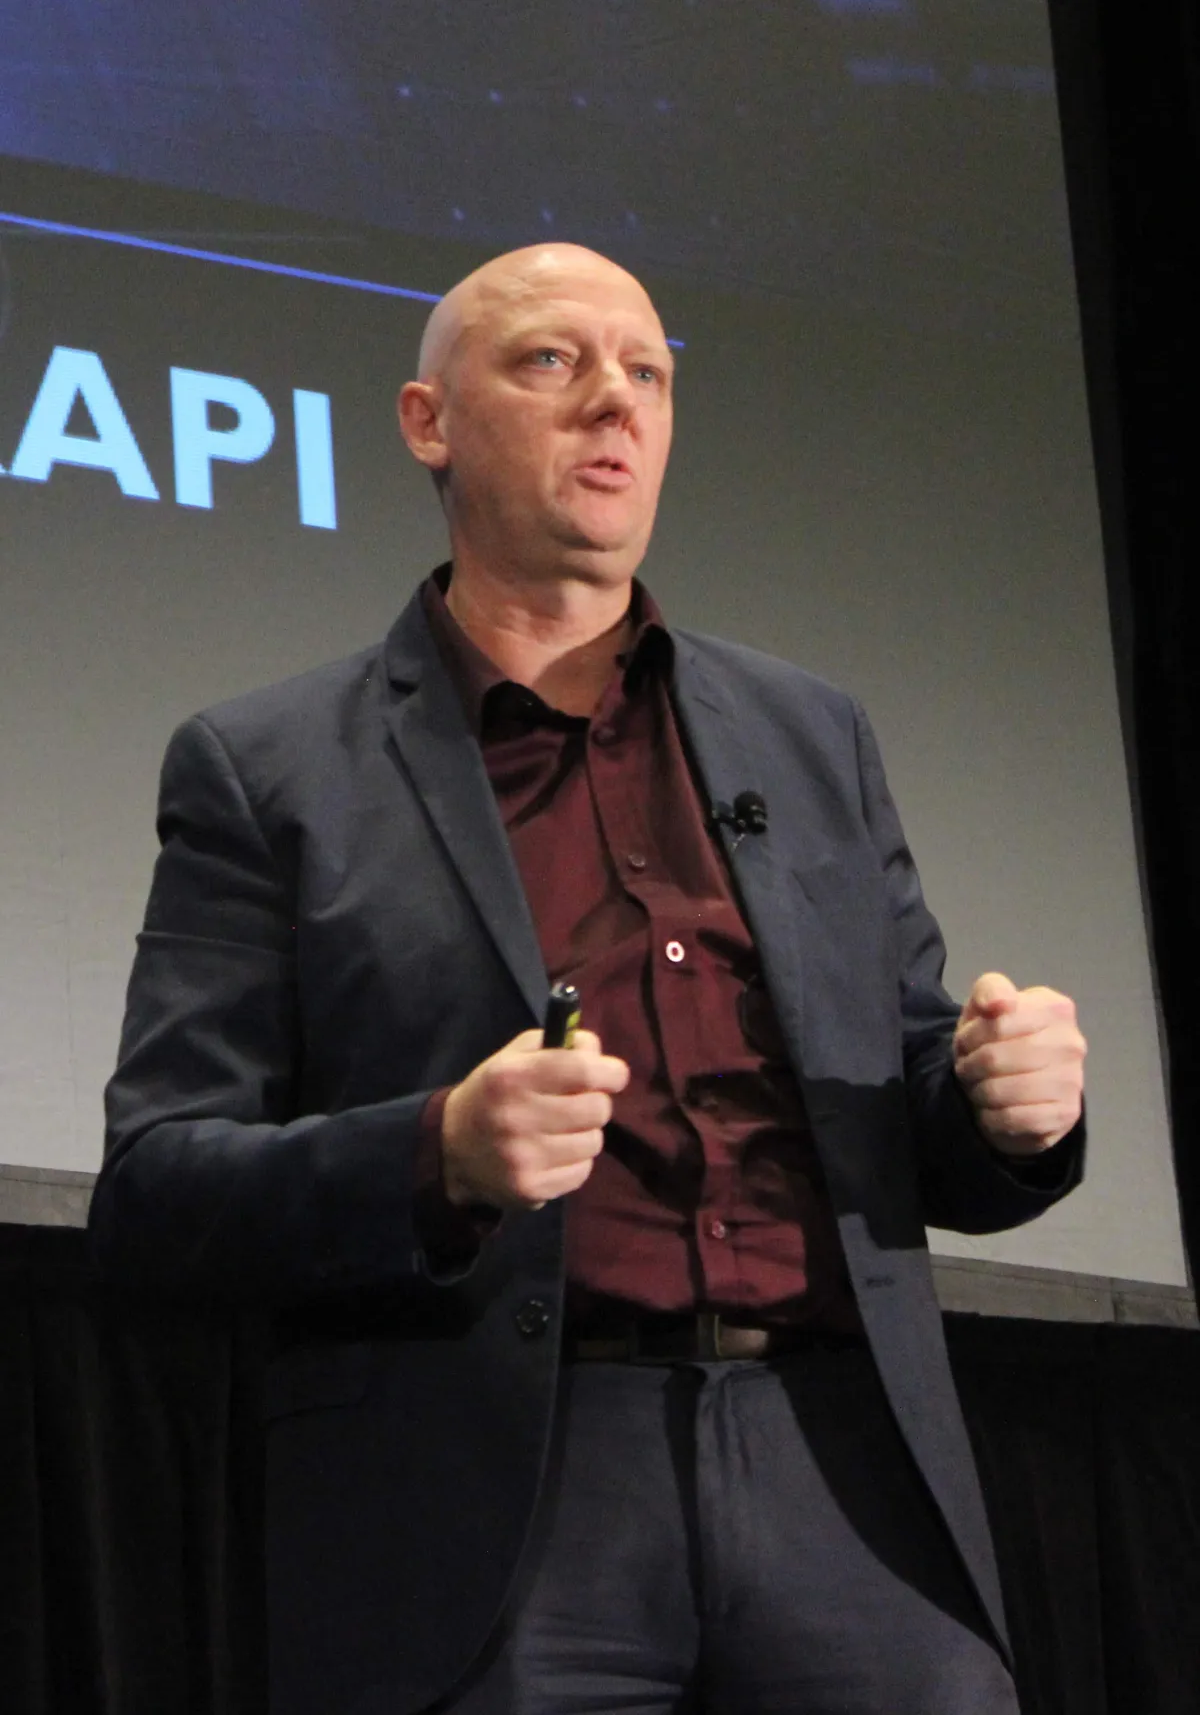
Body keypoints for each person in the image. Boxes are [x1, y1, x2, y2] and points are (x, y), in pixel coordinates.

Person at [91, 243, 1086, 1715]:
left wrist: (1009, 1110)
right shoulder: (272, 767)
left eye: (648, 374)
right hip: (495, 1498)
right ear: (428, 422)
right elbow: (157, 1195)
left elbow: (914, 1108)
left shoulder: (811, 734)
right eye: (553, 361)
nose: (615, 401)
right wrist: (440, 1154)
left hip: (848, 1478)